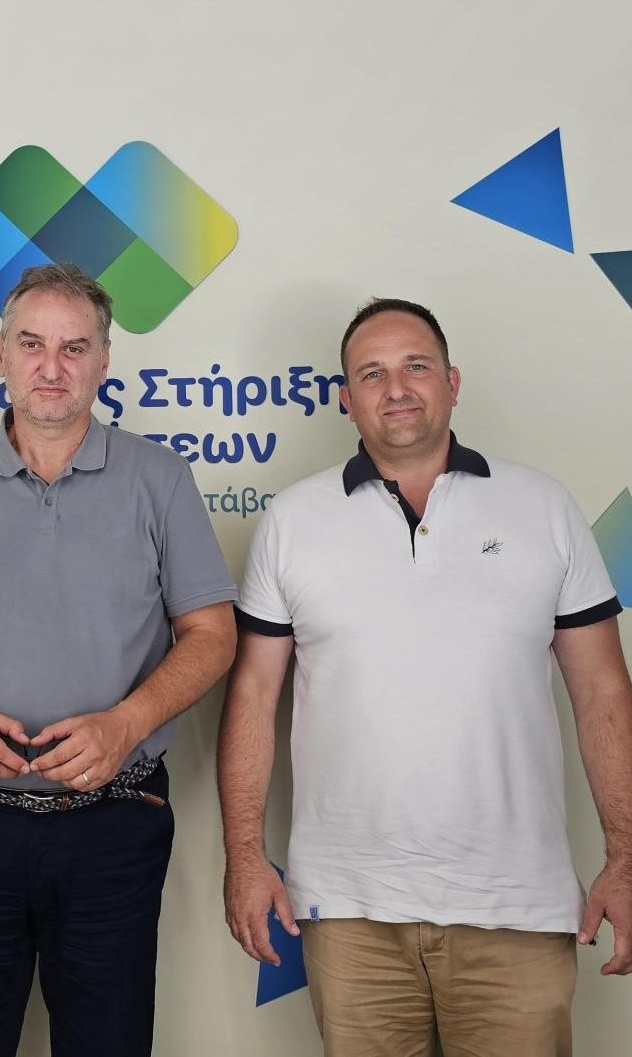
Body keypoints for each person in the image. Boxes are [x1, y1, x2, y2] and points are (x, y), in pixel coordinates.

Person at [218, 297, 632, 1057]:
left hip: (517, 906)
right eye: (371, 373)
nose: (396, 388)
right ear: (345, 399)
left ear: (452, 381)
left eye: (415, 366)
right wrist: (244, 859)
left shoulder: (542, 506)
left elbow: (603, 691)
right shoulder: (292, 520)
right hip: (348, 912)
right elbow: (250, 697)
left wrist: (626, 857)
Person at [0, 262, 236, 1057]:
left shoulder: (160, 478)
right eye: (32, 344)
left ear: (104, 362)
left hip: (113, 824)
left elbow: (212, 633)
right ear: (1, 355)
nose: (51, 367)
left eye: (74, 348)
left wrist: (127, 723)